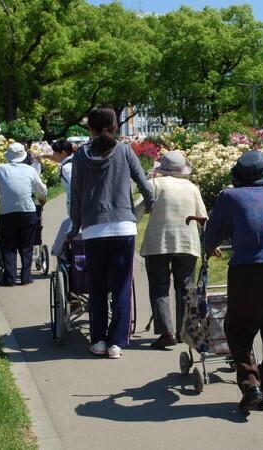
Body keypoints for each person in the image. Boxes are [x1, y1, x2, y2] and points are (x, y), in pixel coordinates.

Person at [204, 150, 263, 413]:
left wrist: (209, 247)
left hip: (247, 269)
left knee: (238, 329)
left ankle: (251, 384)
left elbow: (213, 232)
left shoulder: (228, 196)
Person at [68, 107, 154, 360]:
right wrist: (149, 203)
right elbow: (144, 184)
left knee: (97, 287)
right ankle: (117, 343)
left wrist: (75, 227)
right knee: (121, 286)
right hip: (123, 227)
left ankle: (98, 340)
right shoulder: (125, 151)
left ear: (90, 127)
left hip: (93, 229)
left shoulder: (81, 156)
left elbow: (76, 196)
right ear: (115, 125)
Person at [138, 151, 207, 349]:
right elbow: (202, 217)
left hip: (158, 243)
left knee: (159, 287)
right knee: (185, 288)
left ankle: (166, 332)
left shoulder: (155, 184)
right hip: (187, 243)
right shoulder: (192, 188)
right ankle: (183, 331)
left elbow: (138, 209)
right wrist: (210, 242)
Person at [0, 142, 47, 286]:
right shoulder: (29, 170)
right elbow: (41, 189)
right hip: (27, 211)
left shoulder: (0, 169)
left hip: (7, 212)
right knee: (26, 246)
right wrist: (41, 198)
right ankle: (26, 277)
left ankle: (9, 278)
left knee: (8, 245)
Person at [50, 139, 75, 257]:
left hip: (76, 205)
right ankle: (58, 251)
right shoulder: (74, 160)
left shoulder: (66, 168)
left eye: (55, 153)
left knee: (68, 228)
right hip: (77, 205)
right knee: (66, 225)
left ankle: (60, 252)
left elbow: (75, 186)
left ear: (63, 153)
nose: (54, 155)